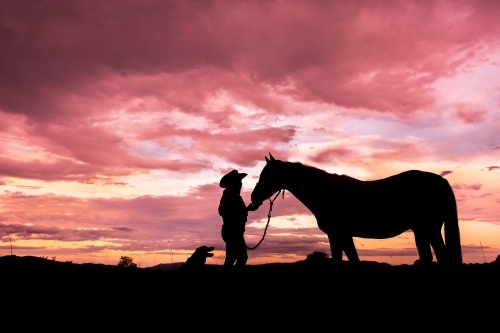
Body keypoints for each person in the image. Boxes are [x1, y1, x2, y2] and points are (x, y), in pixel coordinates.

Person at [218, 170, 258, 270]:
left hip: (234, 231)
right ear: (233, 184)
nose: (240, 184)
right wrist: (247, 209)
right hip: (232, 231)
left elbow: (235, 211)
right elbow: (231, 212)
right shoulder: (229, 197)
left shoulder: (233, 196)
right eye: (238, 182)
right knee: (241, 257)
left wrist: (248, 209)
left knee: (233, 258)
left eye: (240, 182)